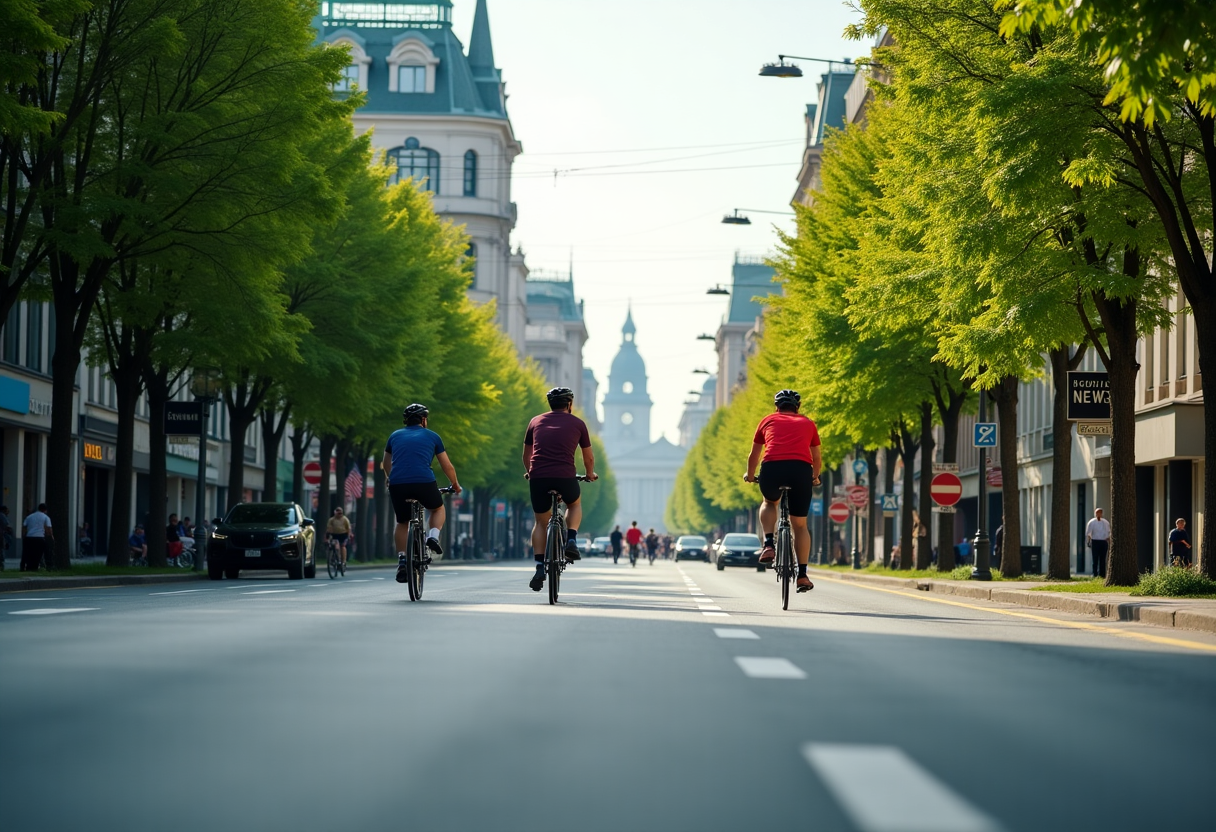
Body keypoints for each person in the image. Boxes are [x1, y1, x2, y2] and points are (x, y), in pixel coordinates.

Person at [744, 389, 822, 592]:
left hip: (772, 469)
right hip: (800, 471)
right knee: (800, 526)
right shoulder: (808, 423)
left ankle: (769, 543)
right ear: (798, 407)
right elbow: (816, 458)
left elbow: (754, 455)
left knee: (769, 502)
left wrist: (750, 475)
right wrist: (814, 477)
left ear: (776, 407)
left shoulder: (767, 420)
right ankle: (803, 575)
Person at [523, 387, 596, 591]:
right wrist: (590, 474)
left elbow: (526, 455)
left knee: (540, 521)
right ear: (569, 404)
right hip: (565, 476)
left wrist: (530, 472)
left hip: (538, 476)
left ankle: (539, 566)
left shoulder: (535, 421)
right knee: (574, 504)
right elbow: (588, 457)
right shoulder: (578, 423)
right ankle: (571, 540)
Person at [382, 403, 461, 585]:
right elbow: (446, 465)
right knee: (437, 508)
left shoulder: (394, 436)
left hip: (398, 483)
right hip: (424, 481)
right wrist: (455, 485)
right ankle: (432, 537)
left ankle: (402, 559)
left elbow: (386, 461)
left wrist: (390, 477)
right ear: (424, 420)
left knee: (402, 521)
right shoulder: (433, 436)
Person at [21, 503, 53, 571]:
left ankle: (24, 566)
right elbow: (49, 529)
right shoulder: (46, 517)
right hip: (39, 538)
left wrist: (24, 535)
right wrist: (51, 536)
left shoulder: (29, 516)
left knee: (26, 553)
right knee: (38, 554)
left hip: (29, 537)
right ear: (45, 510)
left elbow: (24, 527)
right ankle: (37, 567)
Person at [1085, 507, 1111, 578]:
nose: (1098, 514)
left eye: (1100, 512)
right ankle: (1095, 574)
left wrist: (1108, 539)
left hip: (1103, 541)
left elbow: (1109, 532)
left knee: (1103, 559)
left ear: (1102, 514)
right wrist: (1089, 541)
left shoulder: (1105, 522)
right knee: (1095, 559)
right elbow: (1088, 533)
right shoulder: (1092, 522)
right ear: (1095, 513)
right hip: (1095, 541)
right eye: (1097, 513)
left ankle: (1102, 574)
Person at [0, 505, 12, 570]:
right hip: (1, 535)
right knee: (1, 549)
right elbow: (7, 525)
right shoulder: (2, 516)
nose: (8, 511)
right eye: (7, 510)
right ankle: (1, 565)